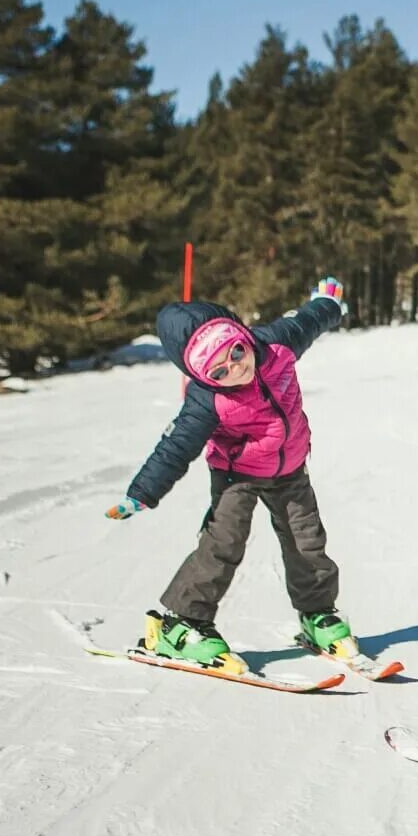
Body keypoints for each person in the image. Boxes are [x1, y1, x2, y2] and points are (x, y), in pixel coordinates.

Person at [104, 277, 355, 673]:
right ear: (205, 378)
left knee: (307, 541)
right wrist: (142, 493)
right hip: (235, 473)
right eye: (219, 371)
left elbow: (309, 320)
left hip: (290, 466)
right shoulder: (206, 401)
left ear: (242, 336)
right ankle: (181, 623)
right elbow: (174, 448)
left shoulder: (275, 344)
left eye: (235, 352)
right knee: (224, 542)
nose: (235, 368)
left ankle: (318, 615)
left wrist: (327, 302)